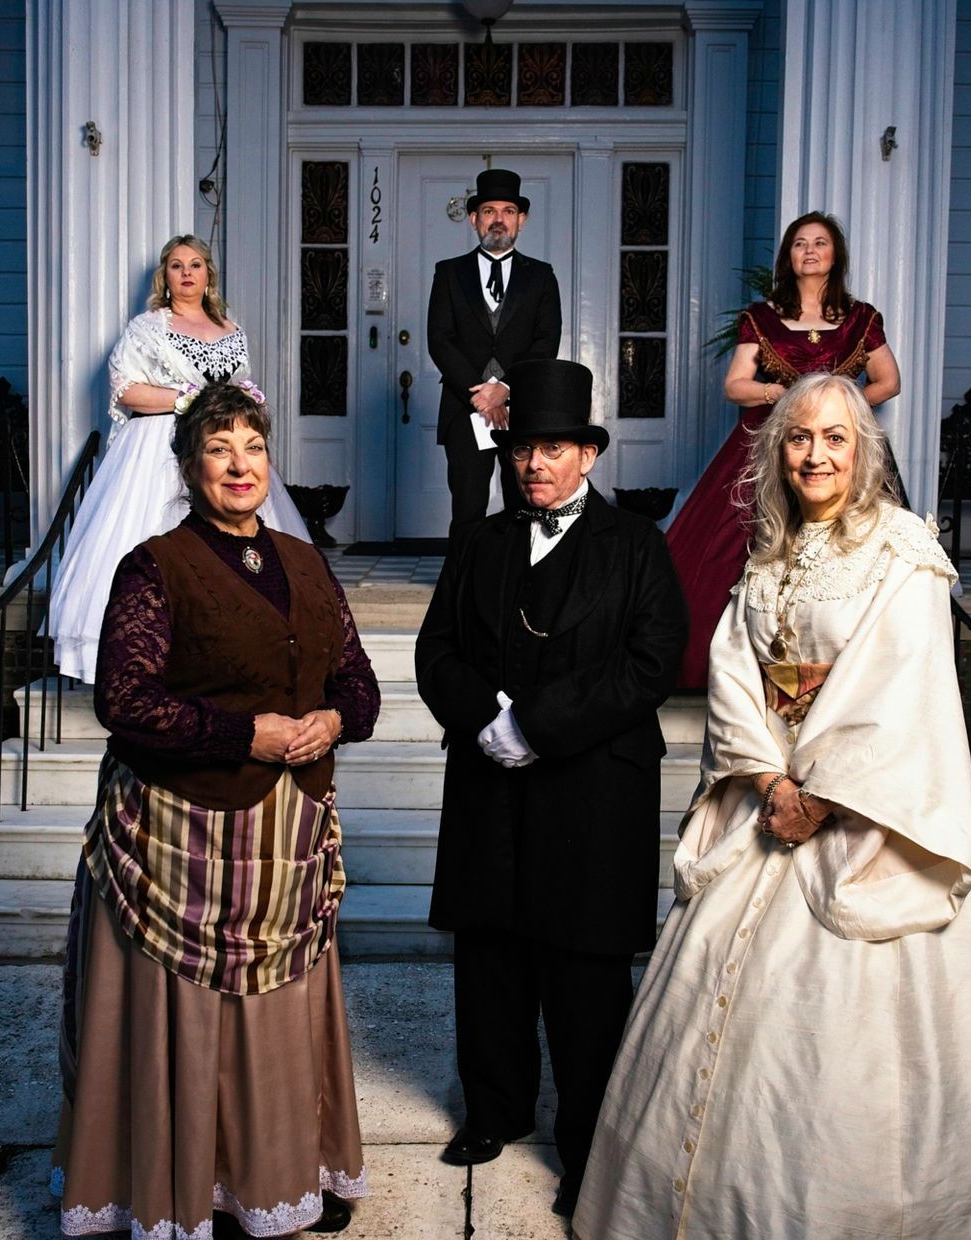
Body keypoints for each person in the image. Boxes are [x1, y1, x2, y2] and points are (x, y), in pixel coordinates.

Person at [574, 373, 971, 1239]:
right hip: (774, 798)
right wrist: (770, 782)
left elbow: (899, 683)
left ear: (863, 451)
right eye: (799, 438)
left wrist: (822, 797)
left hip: (875, 809)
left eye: (835, 438)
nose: (816, 455)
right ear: (778, 451)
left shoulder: (902, 549)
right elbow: (733, 671)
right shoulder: (770, 551)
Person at [50, 383, 379, 1239]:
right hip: (182, 834)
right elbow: (125, 702)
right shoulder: (155, 566)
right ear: (189, 466)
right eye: (220, 448)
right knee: (194, 1023)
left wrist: (333, 720)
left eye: (253, 447)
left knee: (279, 1024)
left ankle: (280, 1179)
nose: (241, 465)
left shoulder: (306, 562)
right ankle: (190, 1188)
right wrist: (246, 734)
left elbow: (359, 683)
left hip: (287, 834)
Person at [414, 358, 687, 1221]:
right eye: (524, 447)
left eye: (555, 448)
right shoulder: (479, 542)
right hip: (488, 778)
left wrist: (536, 724)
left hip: (592, 787)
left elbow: (651, 663)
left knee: (584, 975)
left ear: (588, 456)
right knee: (490, 955)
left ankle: (588, 1145)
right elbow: (435, 653)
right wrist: (485, 720)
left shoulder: (638, 545)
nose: (535, 463)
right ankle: (494, 1110)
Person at [47, 235, 311, 683]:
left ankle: (234, 653)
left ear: (209, 274)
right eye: (176, 265)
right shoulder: (147, 327)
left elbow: (240, 389)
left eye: (195, 264)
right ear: (165, 276)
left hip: (221, 448)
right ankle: (140, 662)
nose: (187, 273)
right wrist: (185, 398)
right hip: (159, 448)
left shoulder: (231, 329)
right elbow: (125, 389)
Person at [664, 211, 901, 690]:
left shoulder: (861, 318)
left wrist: (842, 411)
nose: (810, 251)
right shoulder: (763, 317)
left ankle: (841, 662)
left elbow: (888, 381)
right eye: (799, 243)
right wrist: (781, 396)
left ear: (835, 255)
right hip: (766, 441)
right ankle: (731, 661)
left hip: (837, 451)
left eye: (820, 243)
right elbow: (735, 385)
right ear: (788, 256)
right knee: (735, 542)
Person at [426, 167, 564, 541]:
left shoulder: (541, 276)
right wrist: (481, 395)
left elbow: (546, 342)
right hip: (464, 408)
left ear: (521, 219)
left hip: (522, 410)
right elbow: (439, 340)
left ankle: (517, 575)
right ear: (474, 219)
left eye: (508, 211)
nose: (498, 219)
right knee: (467, 509)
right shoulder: (448, 273)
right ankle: (464, 578)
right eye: (489, 211)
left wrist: (504, 388)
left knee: (524, 506)